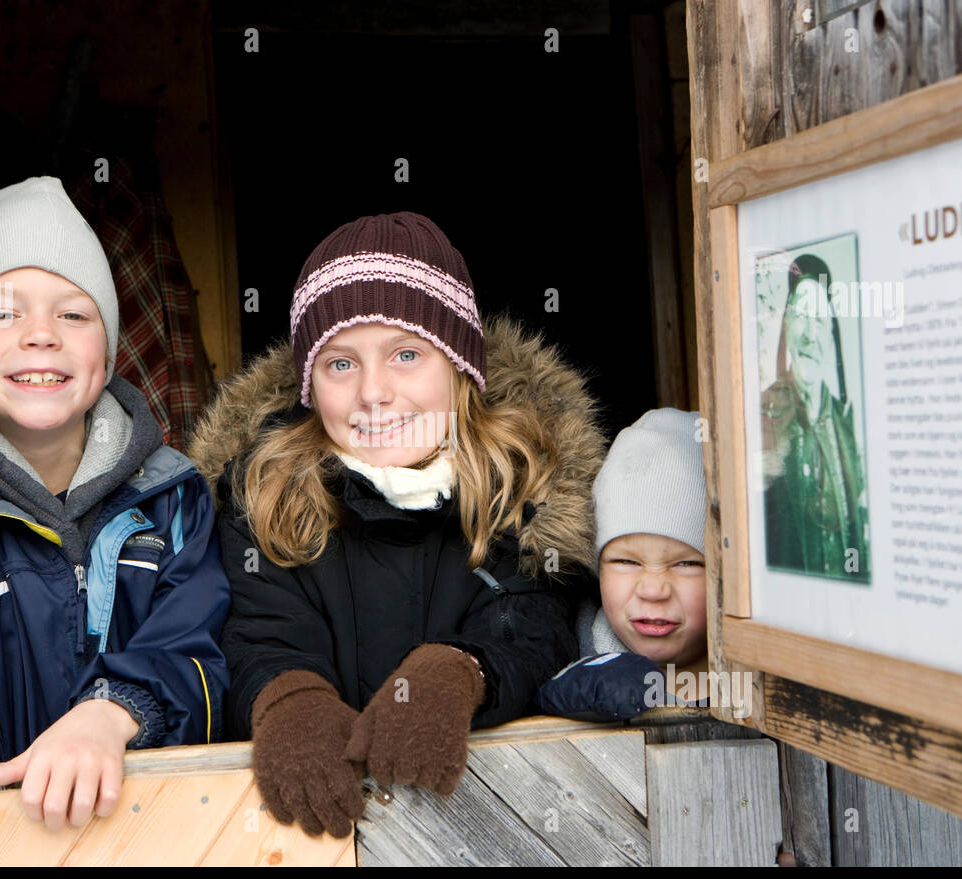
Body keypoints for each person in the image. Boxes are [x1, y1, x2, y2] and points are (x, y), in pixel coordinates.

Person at [188, 211, 605, 838]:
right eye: (339, 364)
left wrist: (462, 671)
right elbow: (257, 627)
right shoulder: (264, 493)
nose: (373, 392)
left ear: (459, 365)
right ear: (309, 385)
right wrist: (289, 697)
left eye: (405, 354)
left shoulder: (521, 484)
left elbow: (535, 623)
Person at [0, 176, 230, 831]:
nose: (40, 334)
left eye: (73, 314)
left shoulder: (174, 499)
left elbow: (204, 651)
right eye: (2, 312)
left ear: (105, 356)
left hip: (160, 832)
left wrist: (113, 711)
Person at [537, 408, 710, 720]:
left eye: (686, 563)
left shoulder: (768, 683)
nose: (653, 590)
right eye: (626, 561)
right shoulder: (558, 661)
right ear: (598, 568)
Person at [761, 254, 870, 582]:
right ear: (786, 324)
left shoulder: (845, 424)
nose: (811, 333)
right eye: (803, 316)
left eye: (821, 320)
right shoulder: (763, 417)